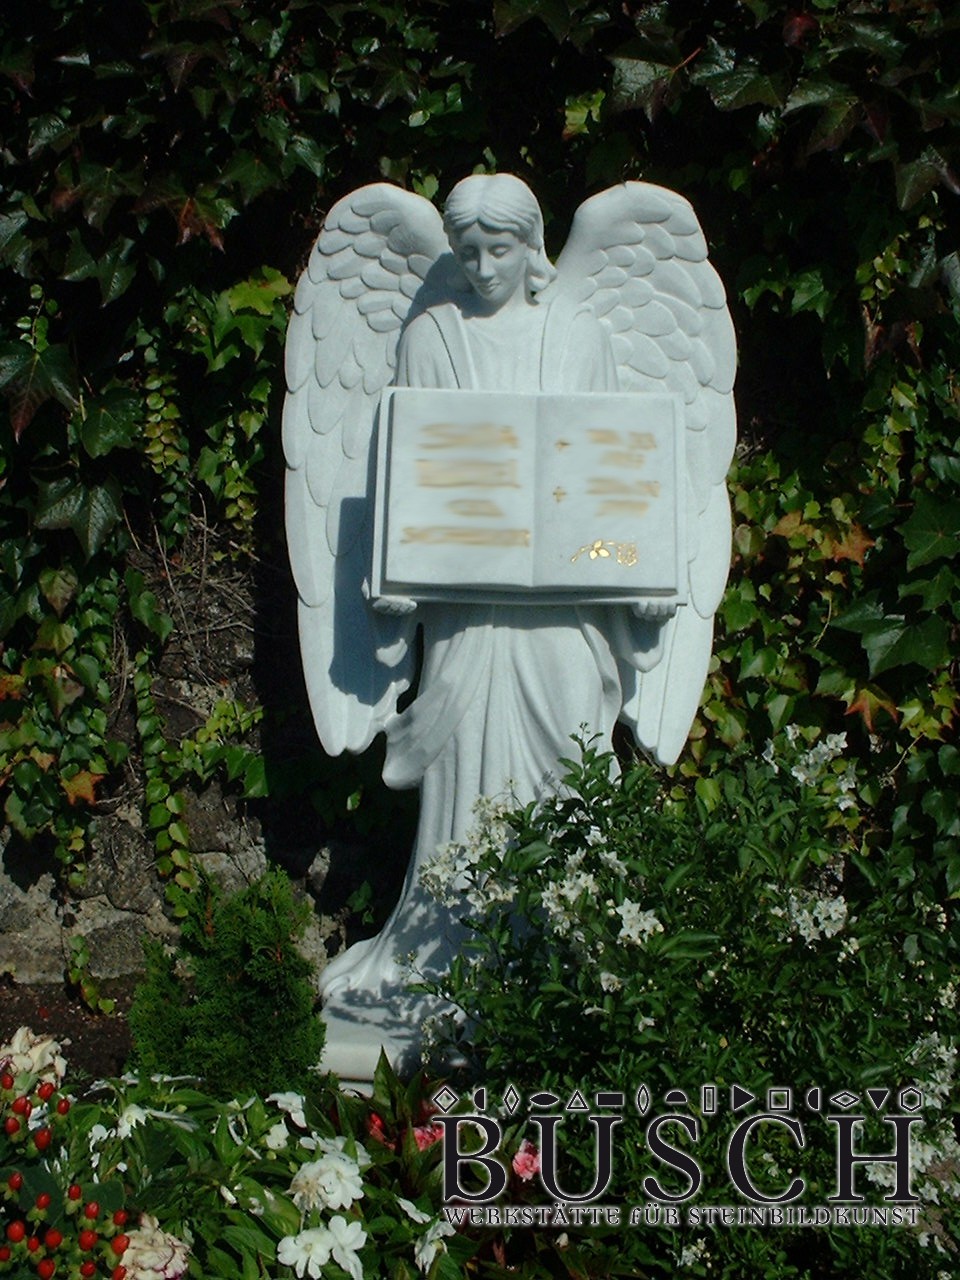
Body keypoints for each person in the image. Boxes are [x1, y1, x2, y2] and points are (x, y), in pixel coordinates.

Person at [319, 176, 662, 1039]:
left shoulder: (578, 333)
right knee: (464, 774)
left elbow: (611, 477)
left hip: (561, 614)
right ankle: (446, 951)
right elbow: (407, 466)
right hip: (467, 607)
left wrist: (635, 573)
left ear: (532, 245)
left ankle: (568, 956)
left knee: (567, 766)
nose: (481, 268)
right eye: (466, 252)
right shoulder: (431, 334)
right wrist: (395, 568)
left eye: (498, 250)